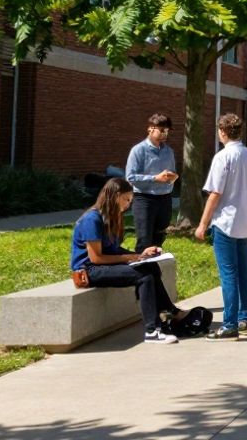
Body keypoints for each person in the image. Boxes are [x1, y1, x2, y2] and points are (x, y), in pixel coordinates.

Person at [70, 177, 184, 344]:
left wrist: (142, 255)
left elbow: (114, 250)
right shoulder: (92, 219)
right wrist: (133, 257)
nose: (129, 204)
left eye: (131, 200)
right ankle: (152, 331)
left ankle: (169, 312)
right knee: (144, 276)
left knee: (151, 267)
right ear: (115, 196)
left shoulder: (112, 218)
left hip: (101, 266)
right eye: (126, 199)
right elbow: (96, 258)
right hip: (88, 271)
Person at [195, 113, 247, 340]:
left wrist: (202, 224)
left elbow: (215, 193)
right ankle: (245, 320)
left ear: (223, 131)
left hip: (225, 222)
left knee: (228, 274)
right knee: (244, 271)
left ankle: (229, 324)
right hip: (246, 222)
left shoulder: (223, 157)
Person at [124, 113, 179, 251]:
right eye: (161, 130)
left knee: (159, 239)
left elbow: (170, 173)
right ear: (150, 129)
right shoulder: (138, 150)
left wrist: (173, 178)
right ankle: (141, 270)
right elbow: (130, 177)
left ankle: (155, 269)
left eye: (167, 131)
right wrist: (155, 178)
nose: (165, 134)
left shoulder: (169, 151)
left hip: (165, 199)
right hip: (145, 199)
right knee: (144, 240)